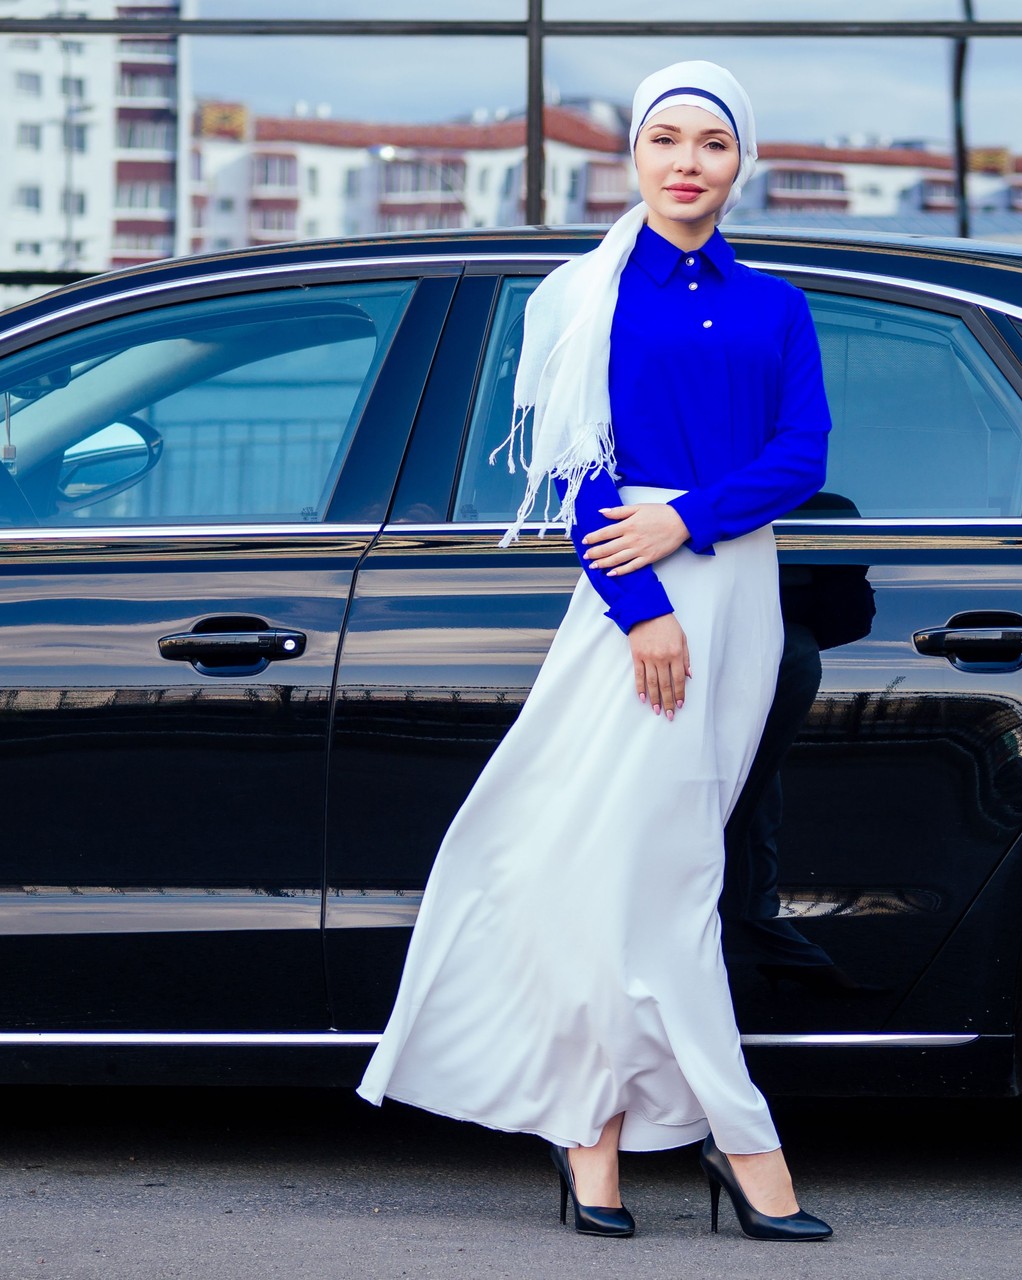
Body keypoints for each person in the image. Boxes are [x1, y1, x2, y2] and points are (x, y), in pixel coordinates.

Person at [356, 60, 834, 1243]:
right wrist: (645, 606)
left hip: (740, 593)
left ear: (742, 161)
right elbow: (580, 476)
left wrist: (689, 521)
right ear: (634, 156)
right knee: (636, 875)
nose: (688, 162)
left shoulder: (777, 304)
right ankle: (727, 1139)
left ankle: (600, 1132)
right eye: (666, 139)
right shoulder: (581, 295)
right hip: (632, 607)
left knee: (658, 872)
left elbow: (803, 455)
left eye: (712, 142)